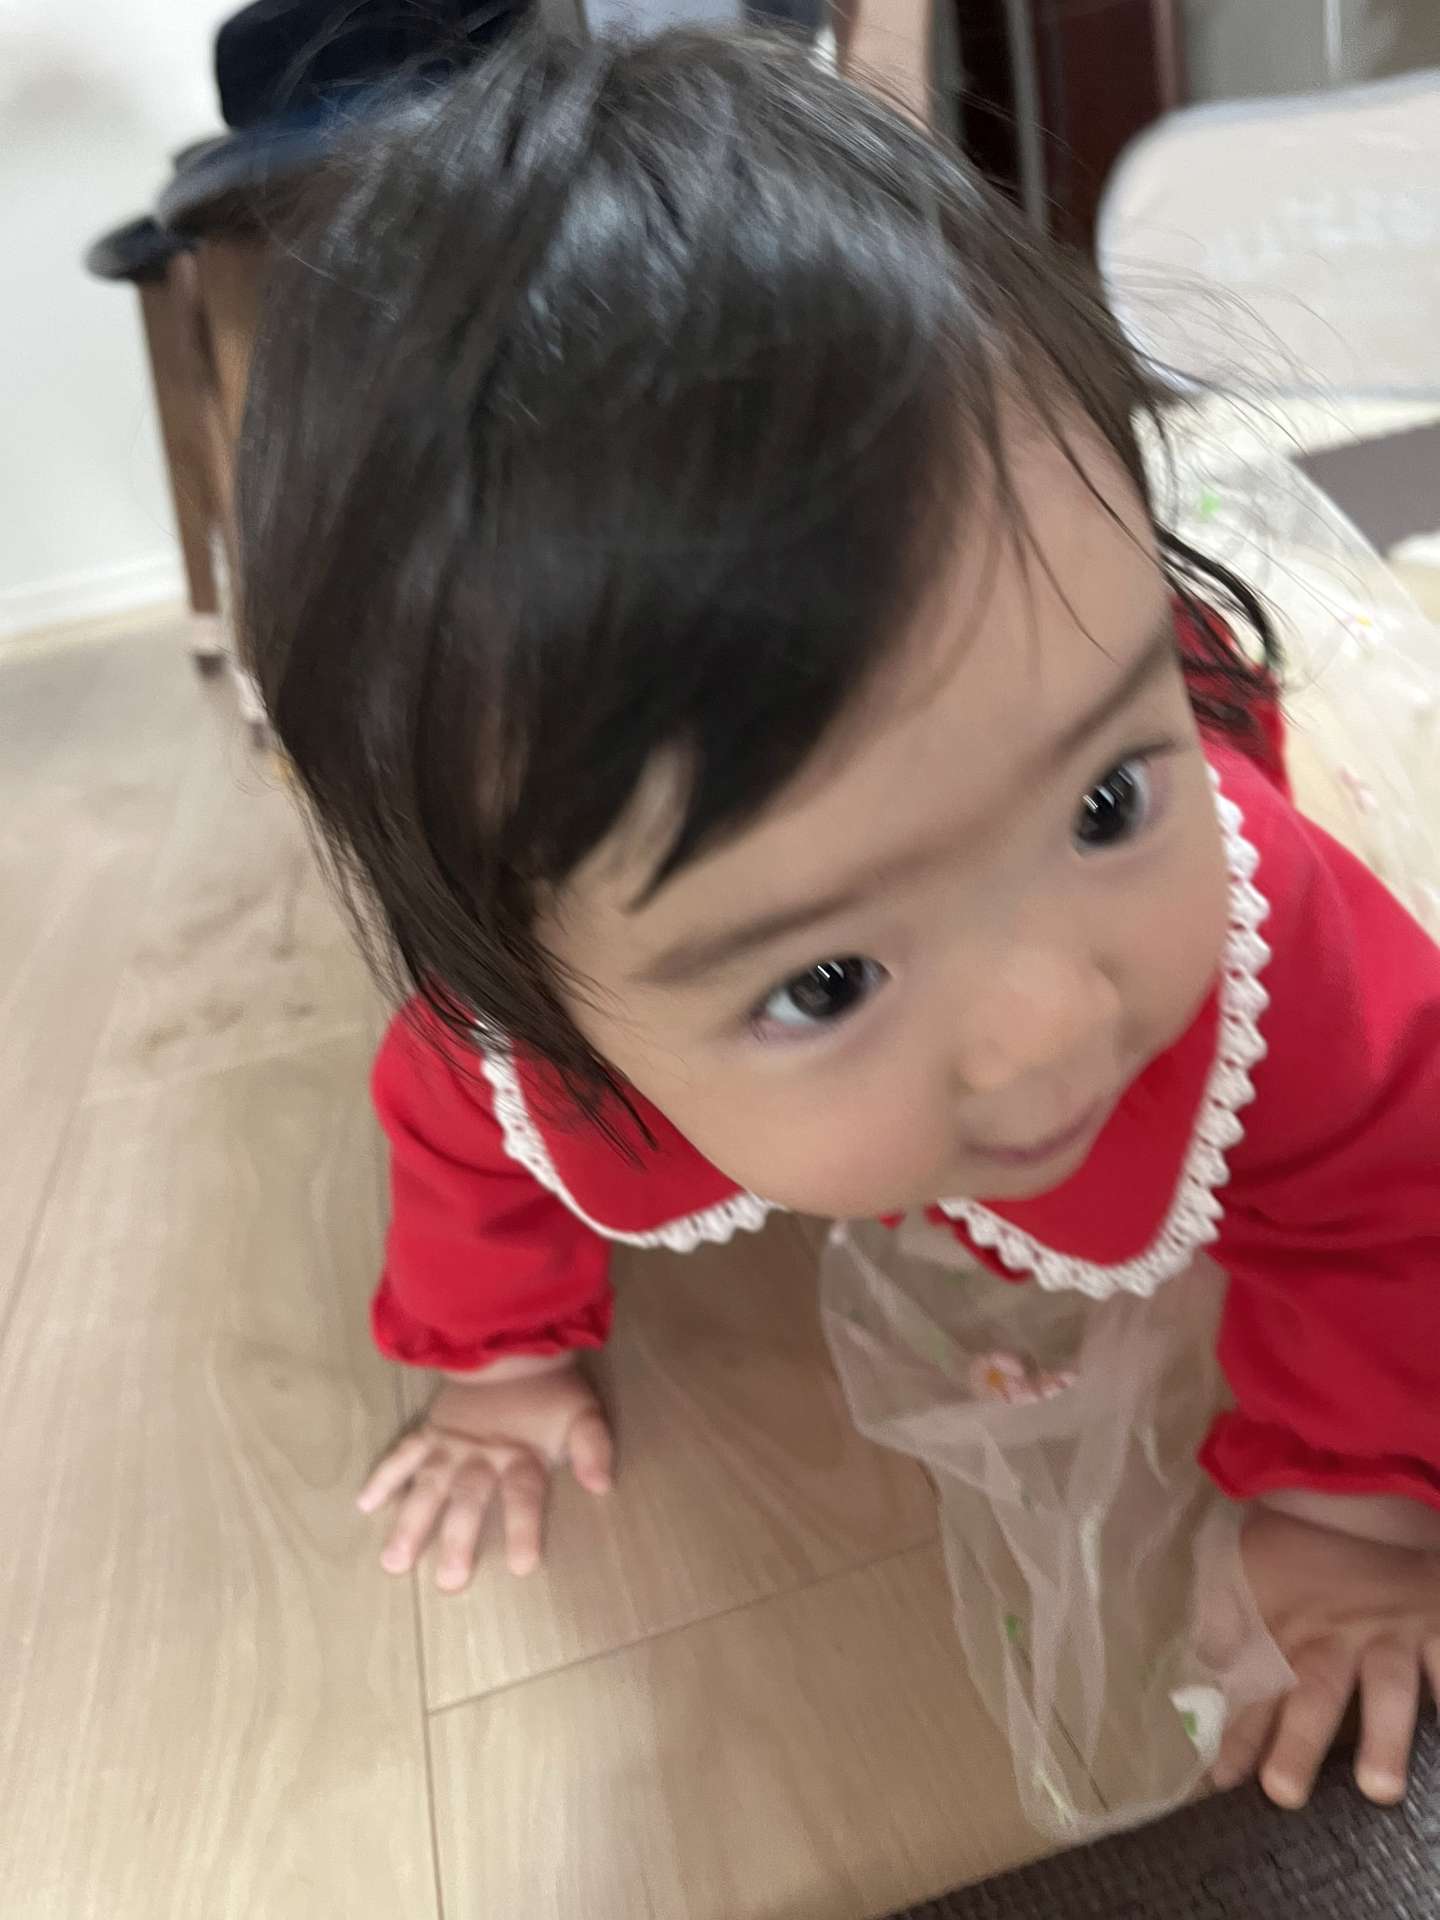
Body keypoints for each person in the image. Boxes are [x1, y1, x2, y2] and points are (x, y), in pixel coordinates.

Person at [236, 28, 1440, 1825]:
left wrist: (1353, 1506)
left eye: (1104, 803)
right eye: (825, 978)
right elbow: (460, 1148)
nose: (1053, 1023)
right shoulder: (525, 1059)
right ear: (529, 985)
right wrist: (496, 1363)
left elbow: (1396, 1172)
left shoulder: (1267, 926)